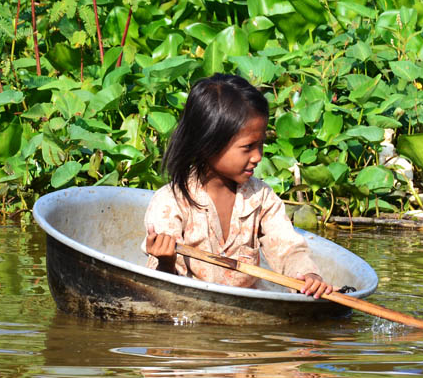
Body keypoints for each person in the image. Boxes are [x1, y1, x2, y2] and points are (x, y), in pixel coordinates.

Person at [142, 74, 335, 298]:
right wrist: (166, 261)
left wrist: (308, 276)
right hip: (187, 309)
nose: (258, 156)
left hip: (247, 310)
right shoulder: (171, 202)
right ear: (208, 143)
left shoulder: (261, 198)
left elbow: (287, 248)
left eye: (261, 144)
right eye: (248, 147)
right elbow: (158, 290)